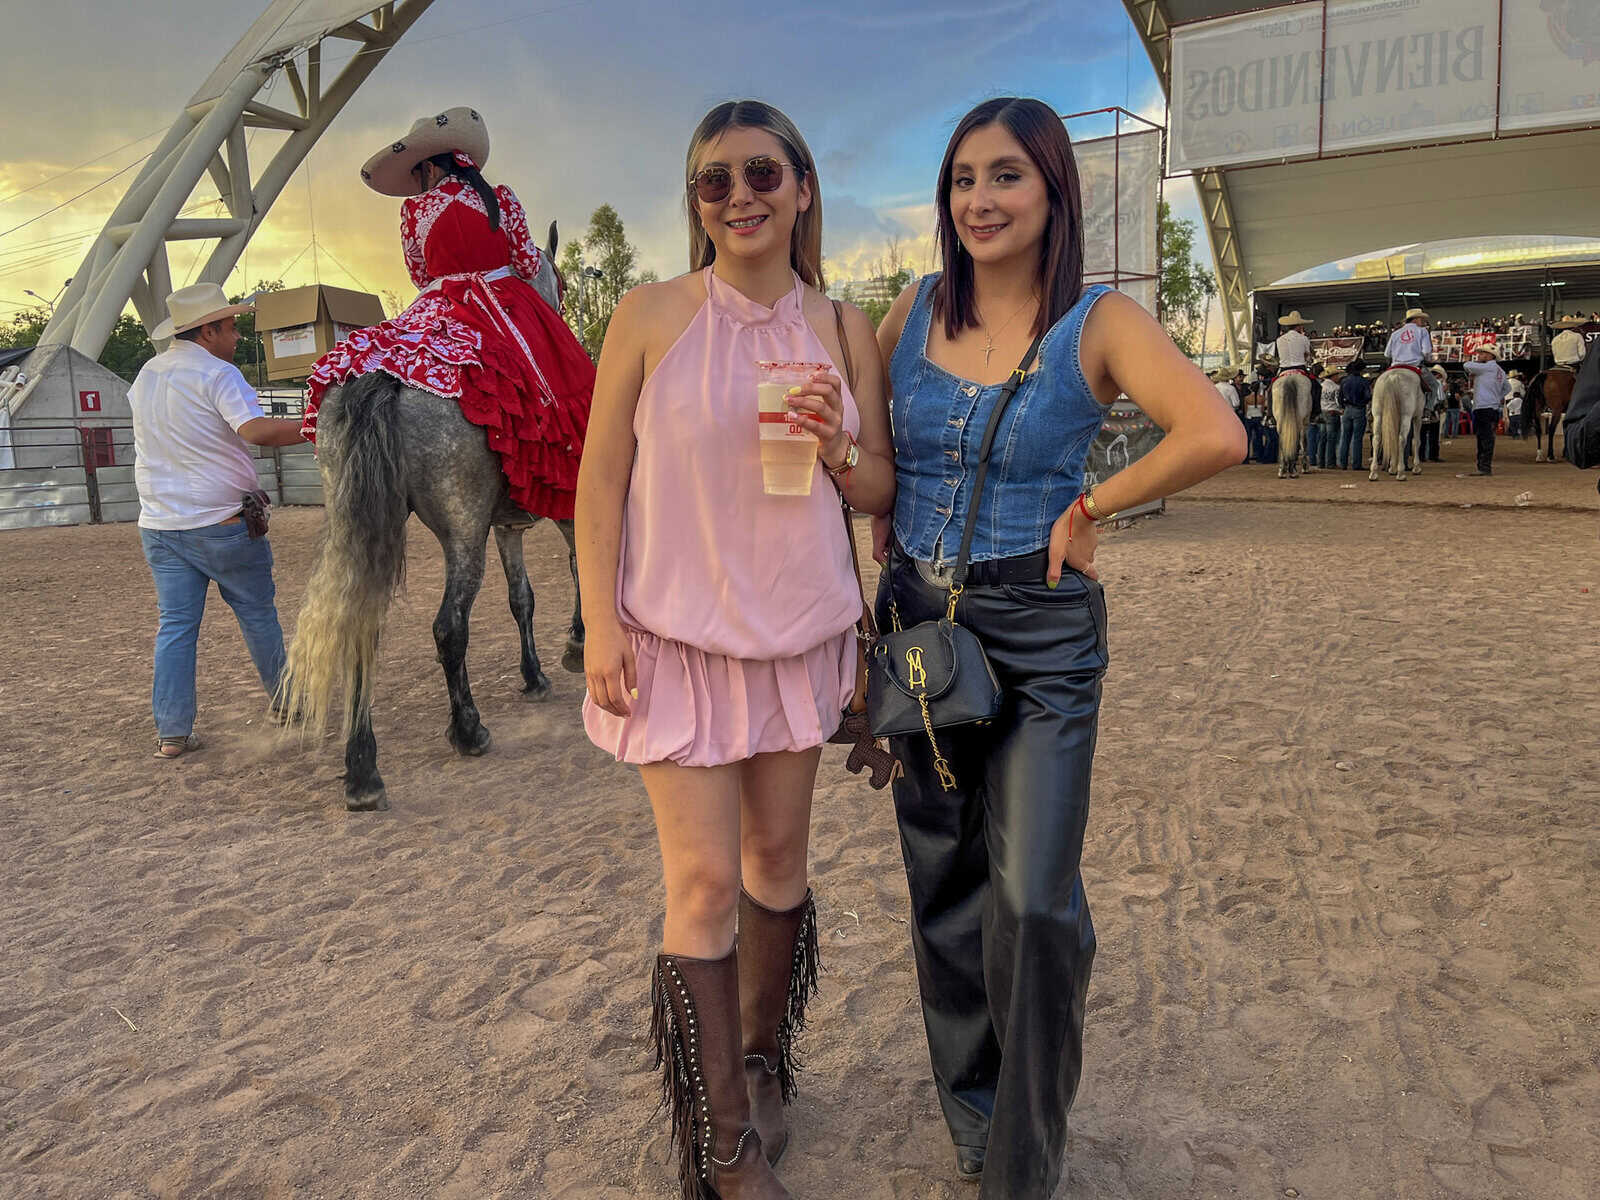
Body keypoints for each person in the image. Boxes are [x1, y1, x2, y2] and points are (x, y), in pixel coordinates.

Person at [872, 97, 1243, 1199]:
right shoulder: (910, 309)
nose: (978, 201)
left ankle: (1022, 1171)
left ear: (1051, 191)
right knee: (944, 892)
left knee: (1031, 901)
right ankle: (981, 1131)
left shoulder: (1101, 321)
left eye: (1005, 177)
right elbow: (878, 471)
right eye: (961, 180)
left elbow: (1215, 431)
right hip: (922, 632)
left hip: (1038, 633)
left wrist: (1094, 507)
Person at [576, 99, 895, 1199]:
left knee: (775, 867)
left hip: (798, 638)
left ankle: (762, 1060)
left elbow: (875, 491)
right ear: (697, 204)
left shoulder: (844, 327)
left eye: (763, 173)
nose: (740, 196)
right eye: (715, 181)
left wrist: (839, 443)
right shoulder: (649, 315)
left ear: (803, 186)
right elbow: (598, 481)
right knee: (703, 881)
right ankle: (724, 1146)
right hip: (675, 639)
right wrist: (600, 622)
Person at [302, 107, 594, 521]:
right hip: (503, 300)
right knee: (558, 384)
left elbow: (420, 275)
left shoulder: (413, 212)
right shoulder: (501, 198)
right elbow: (529, 264)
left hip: (442, 304)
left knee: (396, 355)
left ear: (427, 170)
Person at [128, 283, 308, 758]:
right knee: (257, 613)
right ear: (207, 331)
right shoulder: (218, 375)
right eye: (229, 327)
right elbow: (257, 431)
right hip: (223, 522)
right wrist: (319, 423)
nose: (236, 337)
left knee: (177, 626)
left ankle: (172, 733)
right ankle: (288, 703)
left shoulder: (146, 375)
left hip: (161, 524)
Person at [1385, 307, 1443, 414]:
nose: (1424, 321)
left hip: (1395, 367)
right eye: (1422, 319)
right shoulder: (1422, 331)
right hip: (1415, 366)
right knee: (1434, 385)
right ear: (1415, 319)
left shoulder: (1395, 333)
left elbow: (1387, 354)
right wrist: (1427, 358)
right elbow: (1426, 351)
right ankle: (1427, 411)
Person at [1463, 344, 1508, 475]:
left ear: (1489, 356)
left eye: (1482, 353)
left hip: (1483, 406)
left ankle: (1483, 467)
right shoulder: (1500, 370)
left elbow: (1467, 366)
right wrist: (1497, 396)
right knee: (1488, 437)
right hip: (1492, 406)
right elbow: (1507, 388)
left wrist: (1469, 360)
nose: (1479, 355)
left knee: (1483, 437)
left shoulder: (1487, 367)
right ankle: (1484, 466)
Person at [1337, 363, 1372, 468]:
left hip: (1347, 410)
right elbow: (1367, 396)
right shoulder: (1364, 381)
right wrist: (1363, 403)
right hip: (1359, 409)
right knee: (1357, 438)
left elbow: (1339, 397)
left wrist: (1343, 406)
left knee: (1345, 437)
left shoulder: (1344, 381)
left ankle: (1343, 463)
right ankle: (1356, 464)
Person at [1317, 365, 1342, 468]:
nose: (1338, 377)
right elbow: (1338, 402)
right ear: (1333, 376)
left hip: (1323, 412)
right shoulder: (1336, 387)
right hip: (1332, 413)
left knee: (1322, 438)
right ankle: (1330, 463)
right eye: (1337, 375)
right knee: (1331, 439)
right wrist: (1341, 410)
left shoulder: (1321, 386)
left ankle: (1321, 462)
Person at [1506, 369, 1526, 438]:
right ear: (1516, 377)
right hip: (1517, 399)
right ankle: (1517, 431)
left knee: (1509, 416)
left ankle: (1510, 430)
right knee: (1518, 415)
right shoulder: (1519, 383)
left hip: (1507, 400)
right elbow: (1523, 393)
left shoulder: (1506, 382)